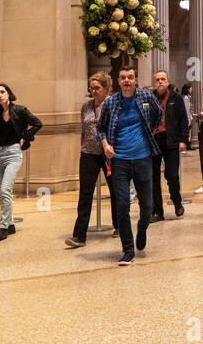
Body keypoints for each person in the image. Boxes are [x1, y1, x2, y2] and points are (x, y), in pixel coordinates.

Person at [98, 67, 161, 263]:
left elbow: (158, 115)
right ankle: (128, 249)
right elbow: (101, 129)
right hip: (119, 160)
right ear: (118, 80)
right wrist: (106, 144)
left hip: (143, 158)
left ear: (135, 80)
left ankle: (142, 228)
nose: (126, 81)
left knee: (147, 205)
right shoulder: (111, 102)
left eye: (130, 77)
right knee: (122, 204)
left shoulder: (146, 97)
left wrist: (148, 132)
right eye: (123, 77)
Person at [0, 83, 43, 242]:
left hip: (13, 153)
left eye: (2, 92)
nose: (0, 95)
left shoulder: (20, 110)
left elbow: (38, 123)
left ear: (8, 93)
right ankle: (11, 223)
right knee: (1, 192)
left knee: (6, 188)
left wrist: (25, 137)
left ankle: (4, 226)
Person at [66, 71, 116, 247]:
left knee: (116, 191)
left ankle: (119, 226)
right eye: (91, 88)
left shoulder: (113, 104)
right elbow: (84, 128)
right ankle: (79, 235)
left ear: (106, 88)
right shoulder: (86, 106)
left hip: (110, 153)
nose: (93, 91)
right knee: (85, 194)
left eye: (97, 88)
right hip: (88, 153)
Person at [150, 71, 188, 221]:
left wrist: (183, 139)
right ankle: (157, 211)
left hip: (171, 140)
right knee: (153, 177)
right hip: (154, 141)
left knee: (171, 174)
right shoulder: (150, 97)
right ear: (154, 82)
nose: (160, 82)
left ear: (167, 81)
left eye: (163, 79)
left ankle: (177, 201)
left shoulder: (176, 98)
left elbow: (183, 120)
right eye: (157, 80)